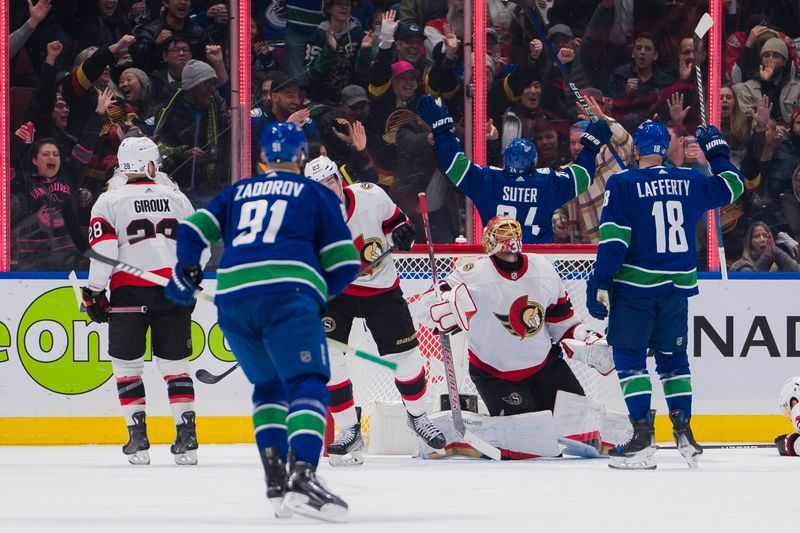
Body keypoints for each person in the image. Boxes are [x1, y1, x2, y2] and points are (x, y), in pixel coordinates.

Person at [164, 123, 360, 522]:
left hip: (233, 301)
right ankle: (302, 478)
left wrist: (186, 273)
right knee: (307, 384)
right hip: (287, 298)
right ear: (301, 159)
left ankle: (275, 482)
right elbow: (345, 263)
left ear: (261, 161)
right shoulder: (315, 193)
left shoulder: (237, 193)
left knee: (268, 388)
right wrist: (317, 297)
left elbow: (191, 230)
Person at [586, 121, 746, 470]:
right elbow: (733, 186)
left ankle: (643, 439)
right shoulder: (689, 181)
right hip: (676, 291)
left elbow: (614, 240)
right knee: (674, 363)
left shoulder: (623, 183)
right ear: (664, 146)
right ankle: (685, 433)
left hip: (635, 290)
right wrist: (717, 152)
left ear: (637, 148)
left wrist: (600, 280)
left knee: (630, 361)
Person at [416, 215, 616, 458]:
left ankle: (491, 433)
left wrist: (587, 340)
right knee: (530, 447)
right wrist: (443, 308)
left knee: (584, 435)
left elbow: (561, 321)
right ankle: (463, 439)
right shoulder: (472, 274)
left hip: (546, 367)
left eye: (511, 234)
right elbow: (427, 307)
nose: (509, 241)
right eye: (503, 234)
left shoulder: (542, 268)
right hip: (496, 376)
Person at [303, 155, 447, 466]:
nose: (328, 190)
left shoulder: (371, 196)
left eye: (331, 182)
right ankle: (349, 429)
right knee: (328, 359)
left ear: (339, 182)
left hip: (381, 288)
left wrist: (404, 235)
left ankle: (418, 417)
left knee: (406, 358)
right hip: (336, 294)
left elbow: (398, 225)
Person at [80, 136, 200, 466]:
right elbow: (200, 244)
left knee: (128, 369)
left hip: (129, 295)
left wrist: (93, 291)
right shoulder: (176, 197)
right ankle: (186, 437)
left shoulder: (109, 201)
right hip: (173, 291)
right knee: (176, 368)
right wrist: (192, 278)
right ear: (151, 164)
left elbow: (103, 252)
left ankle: (139, 440)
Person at [416, 93, 611, 243]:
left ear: (505, 158)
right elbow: (582, 176)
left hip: (498, 262)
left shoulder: (489, 180)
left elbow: (454, 166)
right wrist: (591, 145)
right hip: (539, 261)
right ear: (534, 161)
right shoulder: (546, 181)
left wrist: (441, 130)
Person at [730, 221, 800, 272]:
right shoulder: (741, 265)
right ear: (749, 243)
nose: (762, 239)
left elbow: (797, 272)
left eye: (766, 236)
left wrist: (776, 251)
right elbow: (753, 284)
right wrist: (768, 256)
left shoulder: (778, 264)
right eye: (756, 236)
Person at [775, 376, 800, 456]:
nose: (788, 414)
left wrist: (790, 444)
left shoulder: (797, 409)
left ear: (793, 402)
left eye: (787, 408)